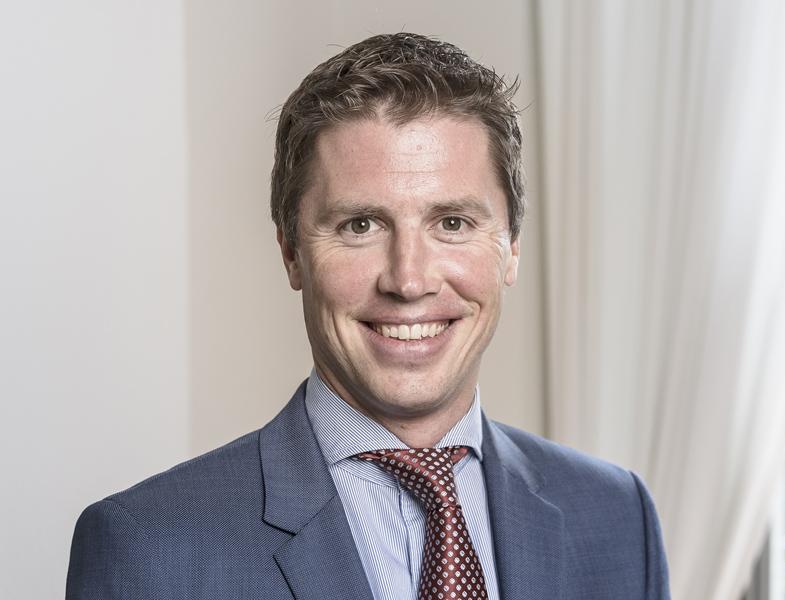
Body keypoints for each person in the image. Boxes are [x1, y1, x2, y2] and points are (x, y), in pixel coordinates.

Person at [66, 32, 670, 599]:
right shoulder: (149, 549)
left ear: (510, 246)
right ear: (291, 252)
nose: (408, 280)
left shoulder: (618, 517)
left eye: (452, 223)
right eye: (360, 225)